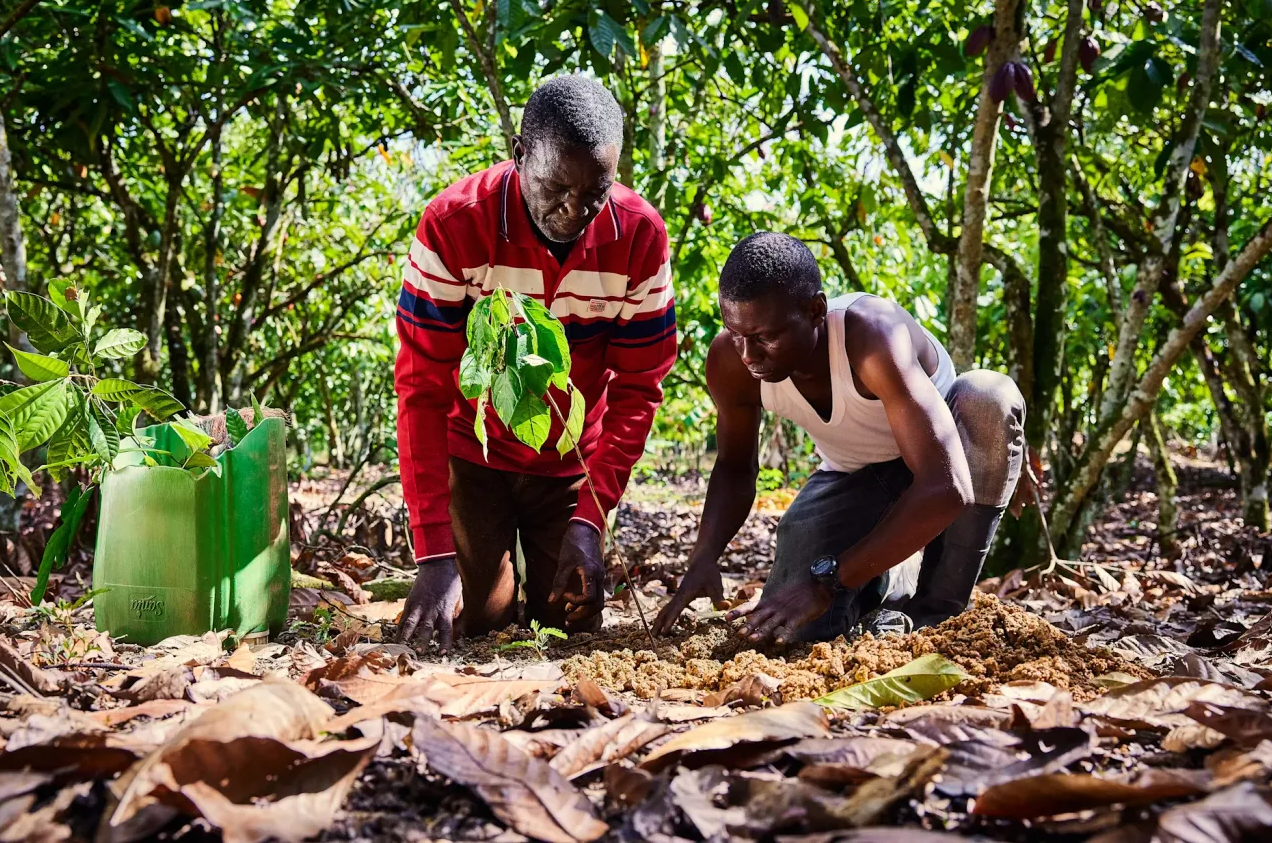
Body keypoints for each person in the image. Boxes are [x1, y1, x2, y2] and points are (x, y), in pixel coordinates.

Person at [394, 74, 677, 650]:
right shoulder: (454, 226)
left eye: (594, 193)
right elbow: (422, 391)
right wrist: (435, 554)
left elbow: (639, 388)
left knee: (570, 621)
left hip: (572, 456)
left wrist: (590, 519)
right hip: (473, 450)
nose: (573, 210)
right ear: (519, 155)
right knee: (481, 621)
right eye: (555, 187)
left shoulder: (640, 237)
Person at [653, 232, 1025, 643]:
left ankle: (936, 611)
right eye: (736, 333)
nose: (748, 354)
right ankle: (890, 576)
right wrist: (704, 556)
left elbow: (947, 486)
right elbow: (735, 467)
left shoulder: (873, 337)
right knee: (792, 625)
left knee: (989, 395)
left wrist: (827, 581)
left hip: (944, 460)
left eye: (765, 337)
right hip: (856, 475)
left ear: (815, 310)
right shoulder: (730, 361)